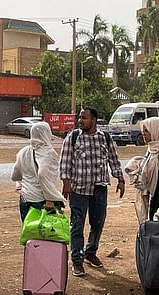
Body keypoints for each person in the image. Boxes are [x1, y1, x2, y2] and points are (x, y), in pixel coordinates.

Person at [59, 106, 125, 277]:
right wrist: (66, 183)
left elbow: (113, 159)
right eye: (79, 118)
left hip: (99, 188)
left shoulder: (105, 138)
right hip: (78, 189)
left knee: (97, 223)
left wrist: (120, 179)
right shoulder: (73, 138)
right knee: (77, 225)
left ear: (93, 120)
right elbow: (65, 162)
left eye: (84, 118)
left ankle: (90, 252)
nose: (80, 121)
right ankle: (77, 260)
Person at [11, 121, 65, 221]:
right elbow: (43, 175)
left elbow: (15, 176)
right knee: (45, 233)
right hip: (41, 200)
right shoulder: (48, 153)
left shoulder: (23, 152)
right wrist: (50, 198)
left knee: (29, 231)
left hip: (25, 199)